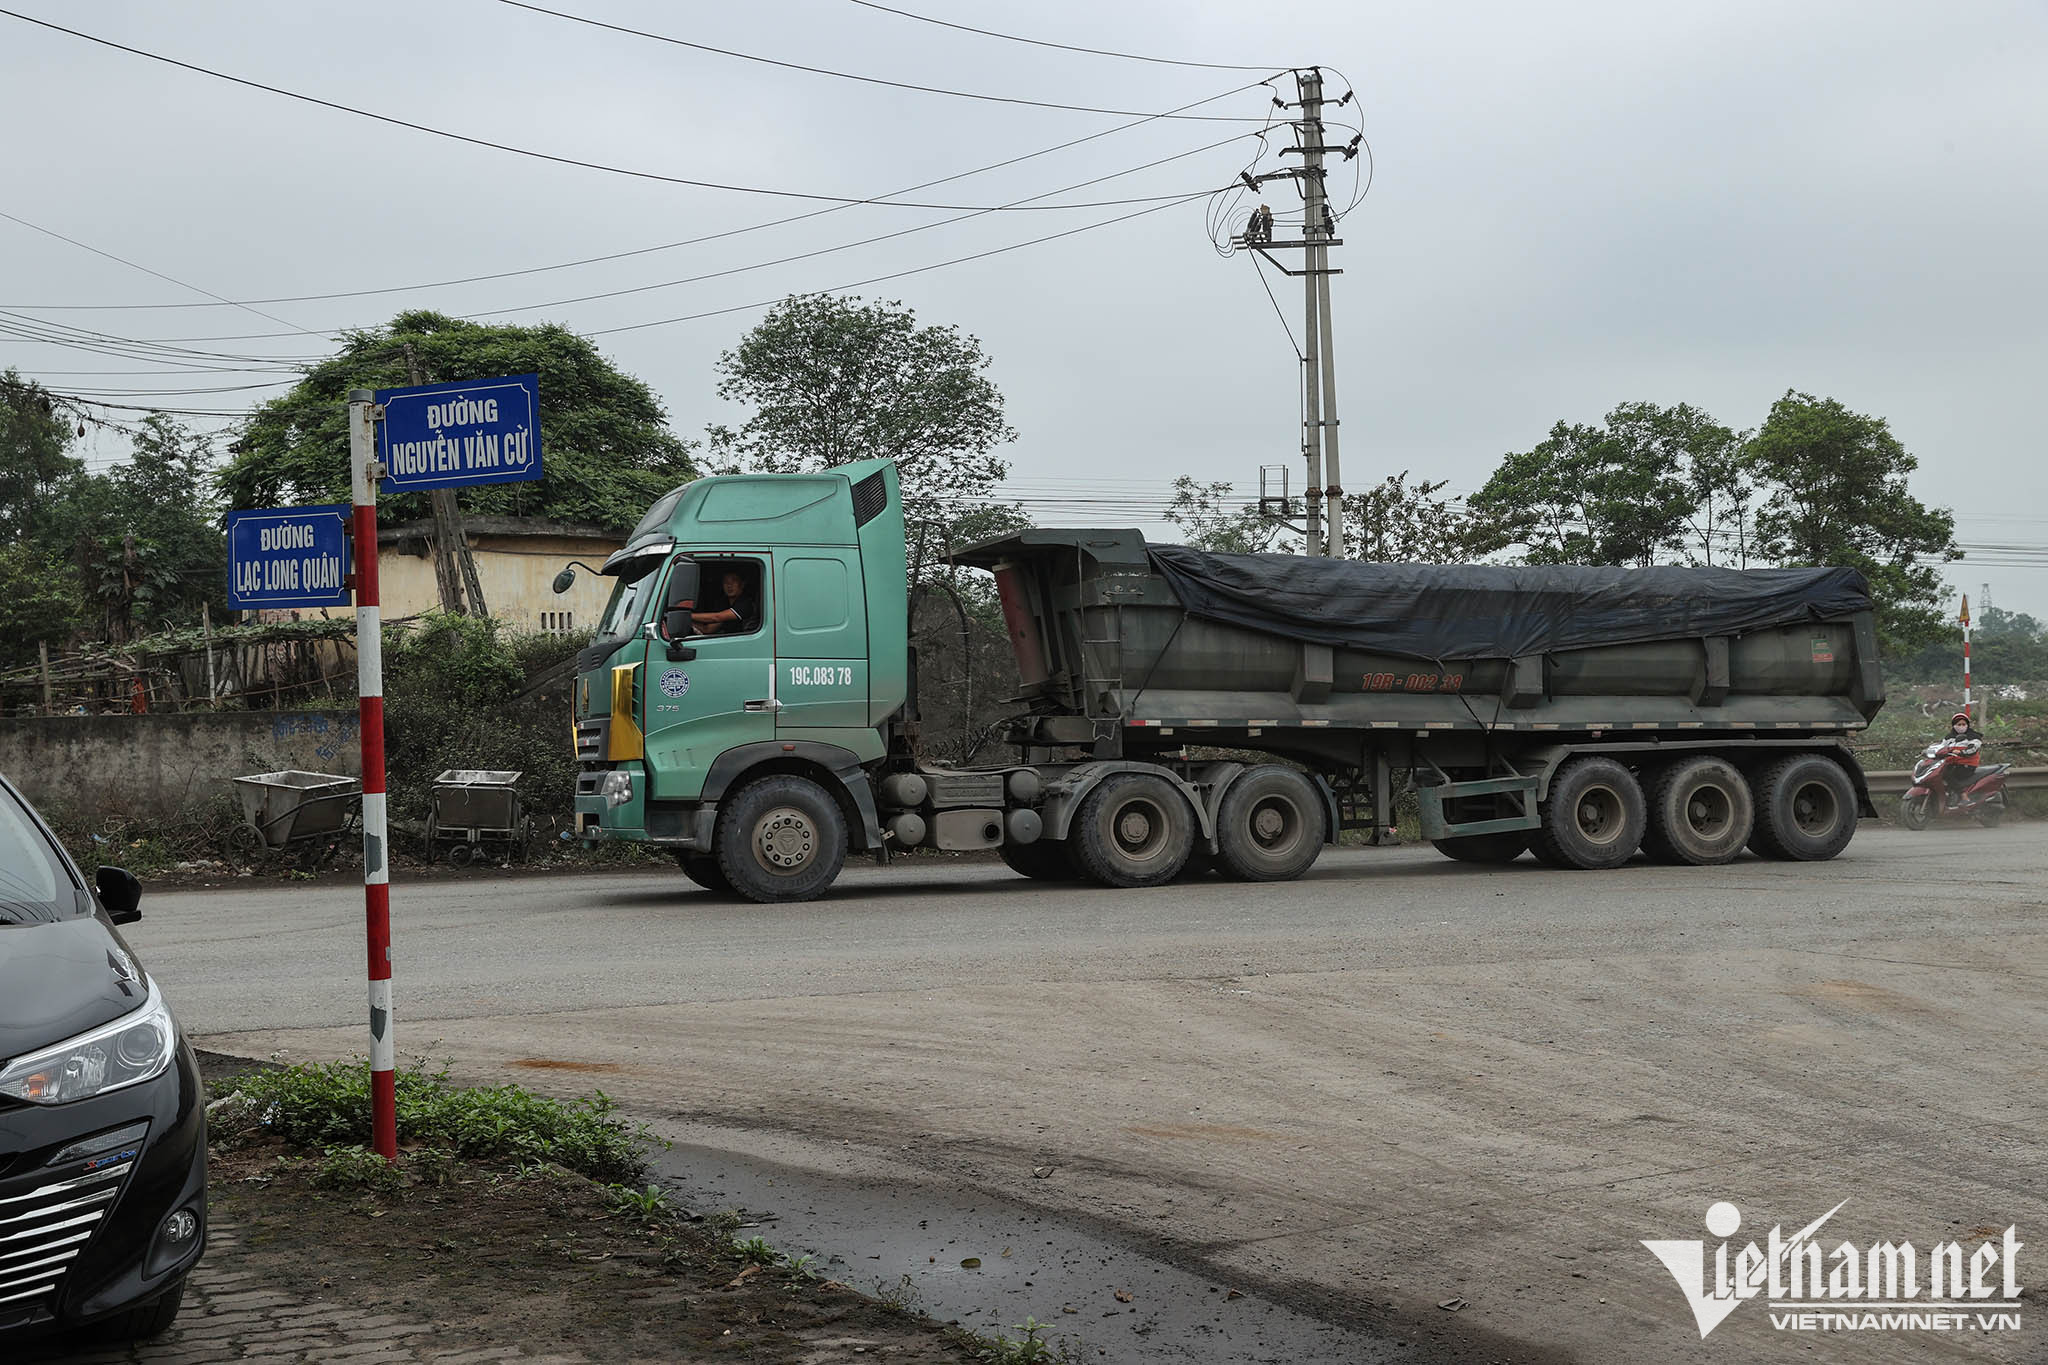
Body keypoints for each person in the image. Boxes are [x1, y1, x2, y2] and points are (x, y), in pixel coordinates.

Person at [691, 569, 758, 636]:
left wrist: (688, 615)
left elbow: (717, 617)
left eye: (734, 581)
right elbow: (708, 629)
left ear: (742, 584)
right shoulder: (724, 603)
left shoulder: (745, 603)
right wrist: (688, 622)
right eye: (726, 582)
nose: (729, 585)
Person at [1940, 710, 1982, 807]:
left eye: (1963, 724)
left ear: (1968, 725)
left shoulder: (1973, 736)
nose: (1961, 726)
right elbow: (1941, 747)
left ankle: (1964, 797)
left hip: (1967, 765)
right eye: (1958, 724)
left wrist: (1962, 752)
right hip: (1952, 764)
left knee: (1947, 775)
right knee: (1939, 773)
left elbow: (1973, 749)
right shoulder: (1949, 738)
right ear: (1953, 725)